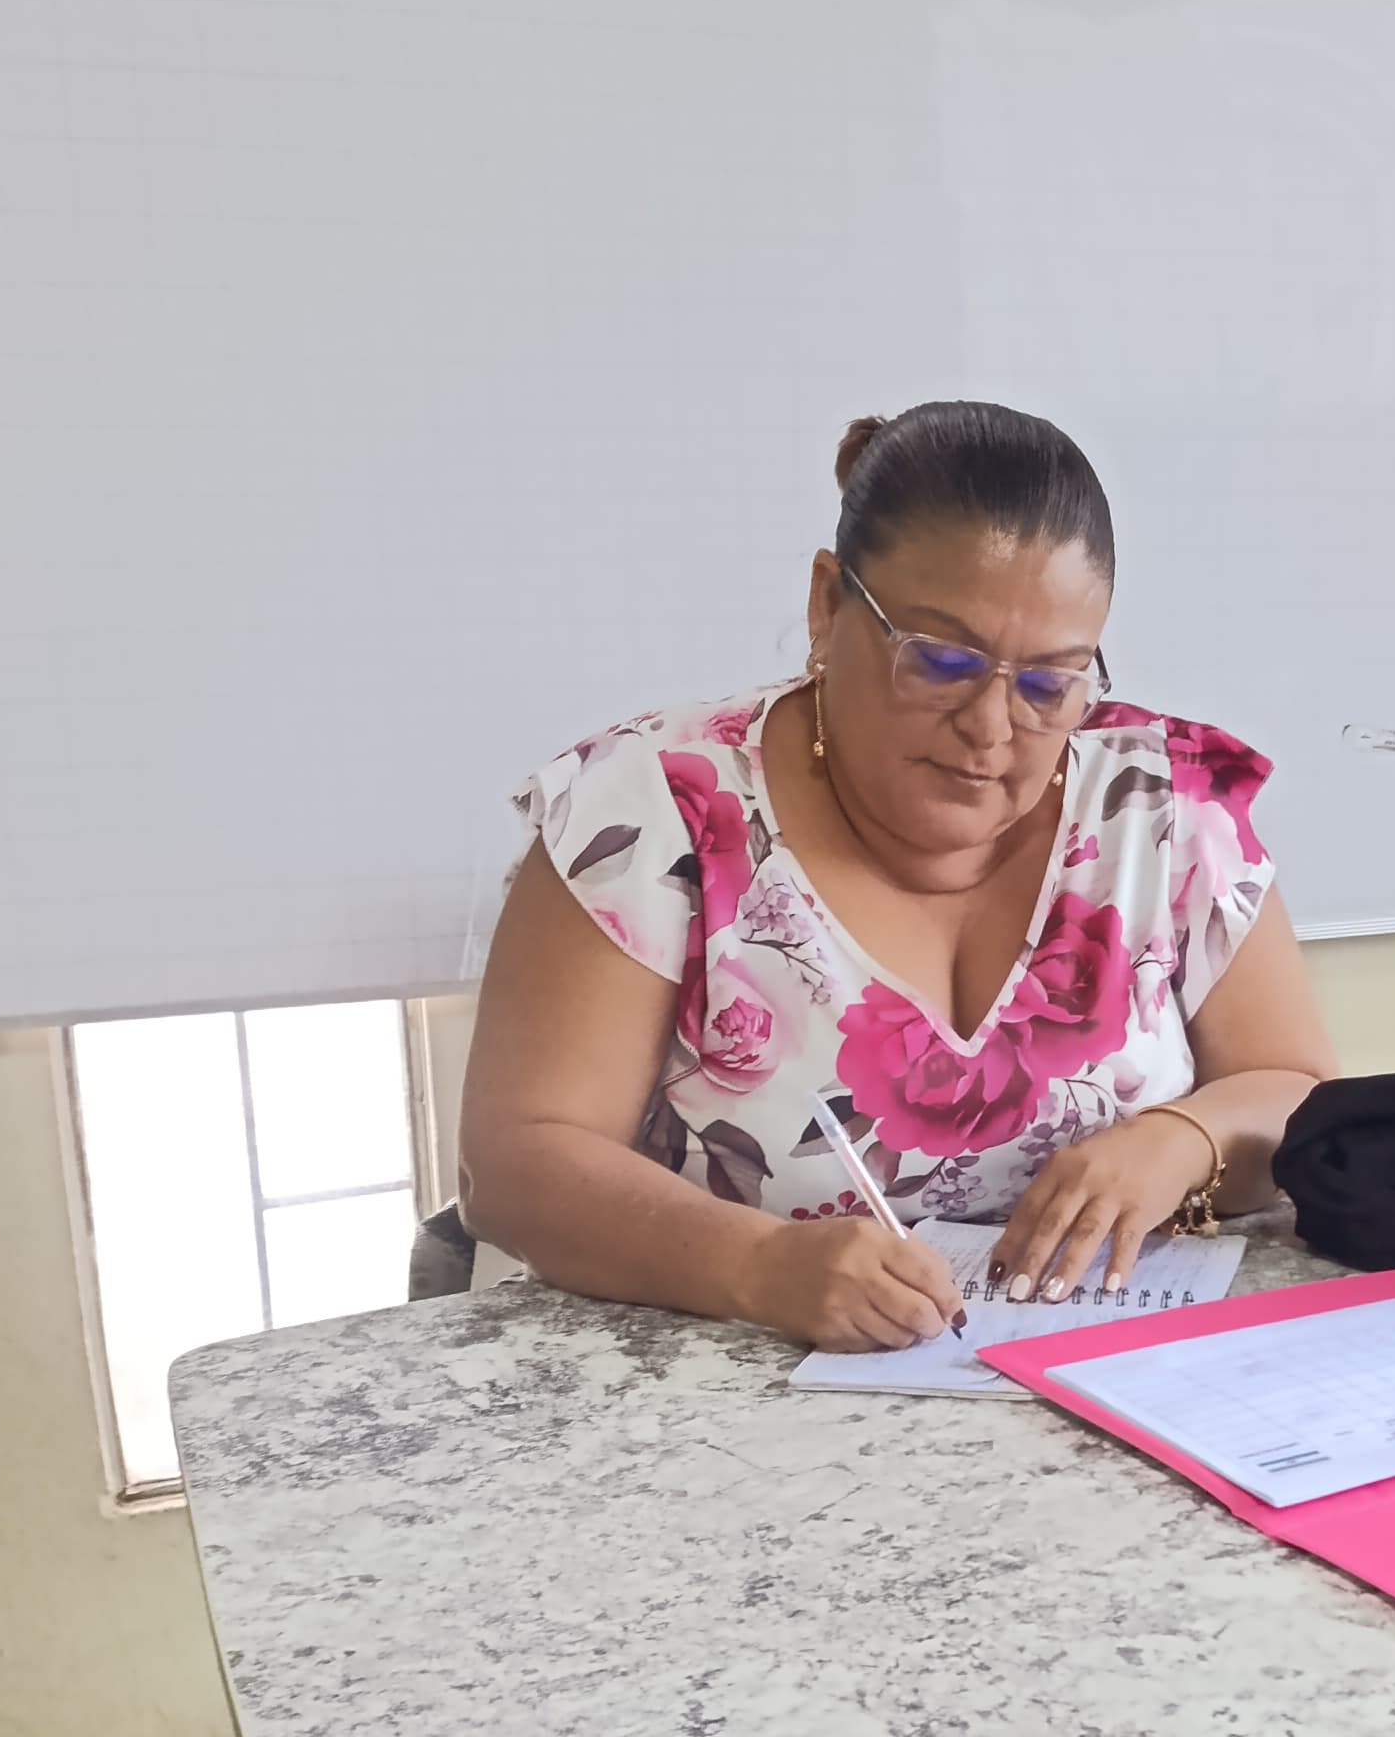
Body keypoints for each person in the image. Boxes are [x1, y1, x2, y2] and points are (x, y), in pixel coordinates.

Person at [458, 400, 1344, 1351]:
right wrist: (756, 1265)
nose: (991, 727)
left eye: (1049, 683)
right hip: (712, 1394)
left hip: (1095, 1381)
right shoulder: (655, 807)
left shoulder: (1164, 804)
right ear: (827, 605)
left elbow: (1298, 1092)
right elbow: (516, 1163)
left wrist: (1181, 1142)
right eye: (943, 661)